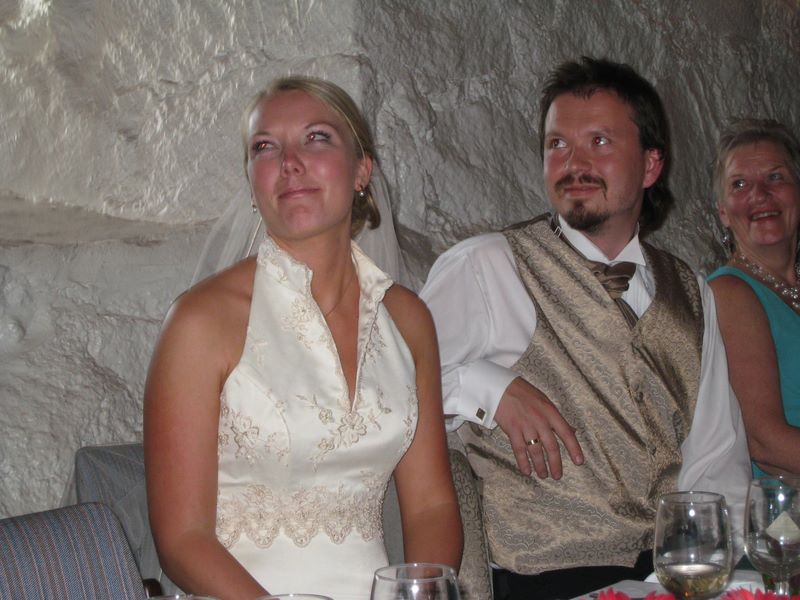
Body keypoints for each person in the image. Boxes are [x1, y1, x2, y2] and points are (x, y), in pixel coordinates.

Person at [420, 57, 750, 600]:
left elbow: (718, 455)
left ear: (650, 165)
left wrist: (713, 571)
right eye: (557, 144)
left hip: (669, 578)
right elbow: (387, 387)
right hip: (546, 581)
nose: (573, 162)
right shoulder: (487, 266)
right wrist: (487, 387)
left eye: (599, 141)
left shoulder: (691, 291)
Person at [144, 76, 462, 600]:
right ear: (252, 184)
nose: (289, 162)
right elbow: (182, 538)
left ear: (362, 170)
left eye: (316, 138)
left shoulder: (408, 320)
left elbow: (432, 504)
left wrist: (418, 593)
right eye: (265, 147)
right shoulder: (200, 322)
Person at [707, 118, 800, 477]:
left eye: (775, 177)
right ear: (723, 212)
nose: (759, 194)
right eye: (740, 184)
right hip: (780, 506)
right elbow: (765, 443)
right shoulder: (730, 293)